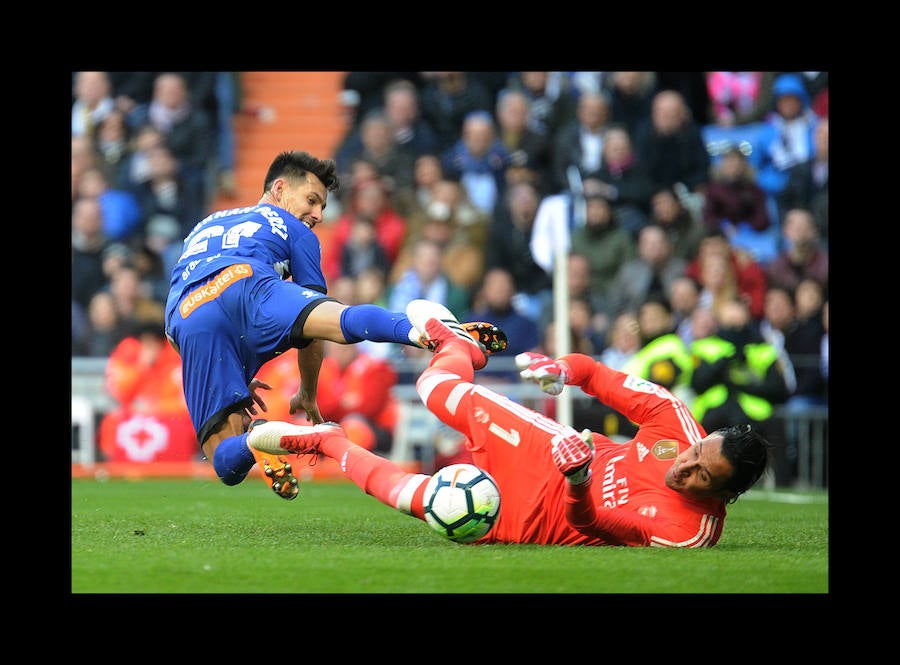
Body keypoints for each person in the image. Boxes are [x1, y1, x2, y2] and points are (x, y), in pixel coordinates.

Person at [248, 299, 772, 548]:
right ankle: (457, 344)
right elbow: (595, 374)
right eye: (696, 454)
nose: (685, 467)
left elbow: (591, 524)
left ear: (724, 496)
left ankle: (329, 441)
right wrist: (561, 370)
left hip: (528, 521)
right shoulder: (678, 425)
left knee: (414, 498)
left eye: (702, 476)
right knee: (434, 388)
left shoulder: (688, 532)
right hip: (543, 450)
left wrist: (579, 481)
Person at [164, 151, 506, 501]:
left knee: (225, 464)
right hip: (248, 281)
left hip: (187, 313)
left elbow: (176, 328)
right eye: (312, 200)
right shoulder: (292, 228)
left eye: (322, 207)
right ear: (279, 189)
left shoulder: (203, 225)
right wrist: (308, 391)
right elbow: (315, 324)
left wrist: (230, 371)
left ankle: (257, 440)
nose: (318, 215)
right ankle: (424, 331)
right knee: (342, 319)